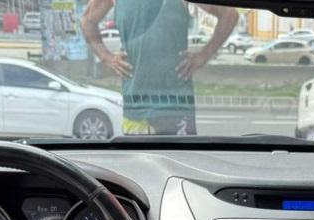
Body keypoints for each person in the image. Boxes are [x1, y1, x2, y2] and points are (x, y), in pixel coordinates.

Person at [82, 0, 238, 136]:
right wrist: (106, 57)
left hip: (176, 108)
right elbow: (87, 20)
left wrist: (204, 55)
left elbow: (229, 14)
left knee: (180, 161)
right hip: (134, 109)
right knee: (137, 161)